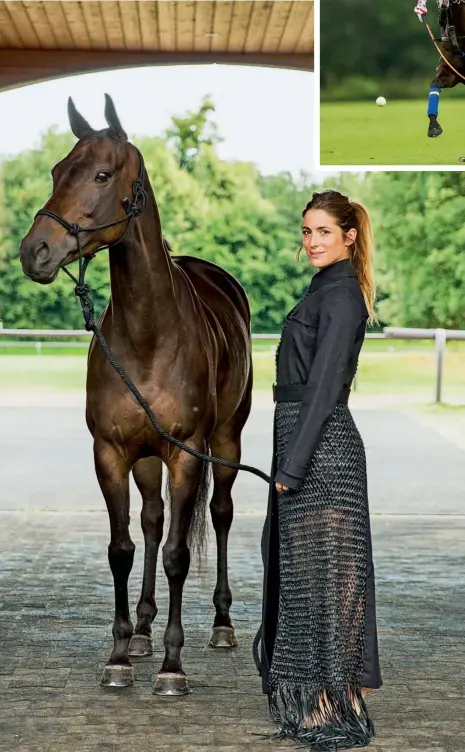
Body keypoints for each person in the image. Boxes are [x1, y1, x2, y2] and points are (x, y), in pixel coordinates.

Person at [257, 190, 383, 750]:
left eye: (323, 232)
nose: (311, 242)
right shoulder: (323, 288)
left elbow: (327, 387)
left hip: (324, 451)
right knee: (315, 581)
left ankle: (336, 702)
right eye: (306, 232)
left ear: (349, 236)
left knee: (330, 584)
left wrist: (294, 464)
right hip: (305, 442)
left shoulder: (343, 296)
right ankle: (334, 696)